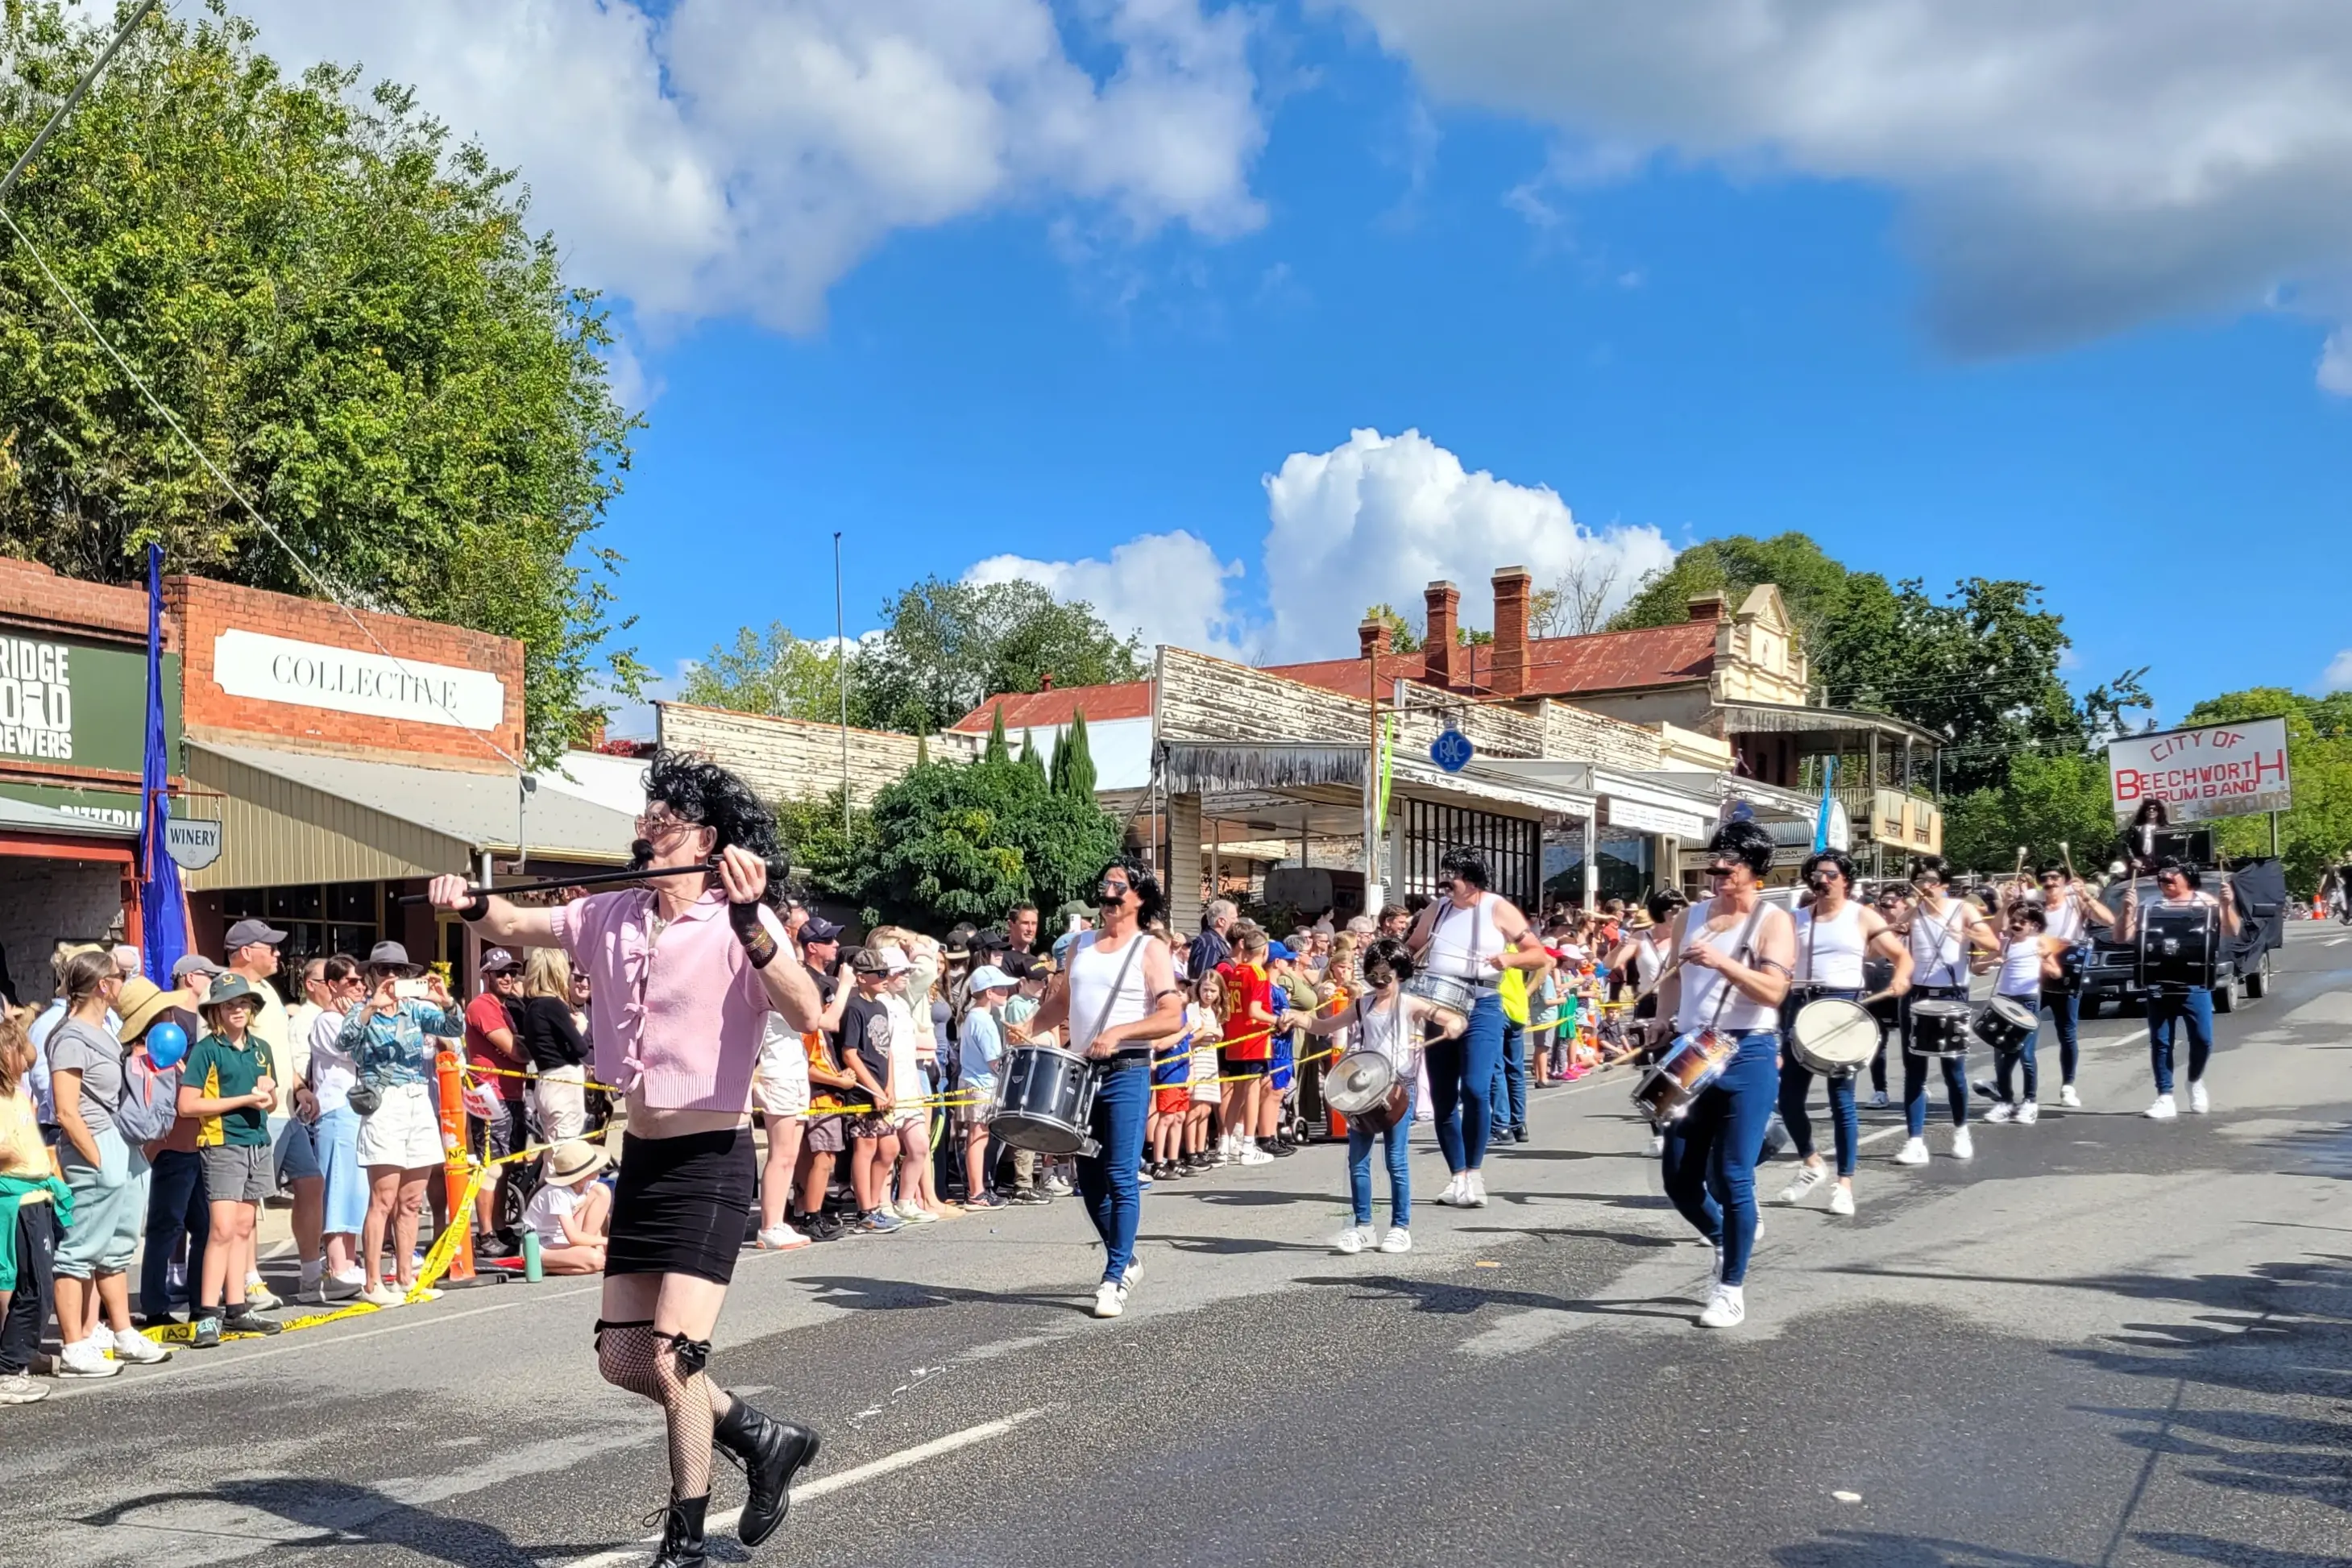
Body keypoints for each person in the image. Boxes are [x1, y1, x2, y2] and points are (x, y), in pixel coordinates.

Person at [427, 749, 825, 1566]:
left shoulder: (734, 918)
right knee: (623, 1357)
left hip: (712, 1161)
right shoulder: (608, 913)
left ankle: (683, 1539)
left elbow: (807, 1005)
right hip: (638, 1155)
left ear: (704, 837)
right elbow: (510, 923)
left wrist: (753, 920)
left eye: (663, 820)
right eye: (644, 819)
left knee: (677, 1358)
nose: (644, 832)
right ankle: (759, 1434)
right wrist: (467, 900)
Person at [1015, 856, 1184, 1320]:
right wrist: (1028, 1027)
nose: (1109, 896)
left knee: (1121, 1174)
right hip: (1083, 1071)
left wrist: (1122, 1033)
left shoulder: (1150, 949)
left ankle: (1112, 1278)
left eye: (1119, 888)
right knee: (1087, 1179)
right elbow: (1064, 1001)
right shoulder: (1082, 945)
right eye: (1105, 887)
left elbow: (1173, 1015)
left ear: (1139, 898)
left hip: (1127, 1071)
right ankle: (1127, 1257)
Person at [1652, 820, 1797, 1329]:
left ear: (1754, 871)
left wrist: (1721, 962)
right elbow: (1671, 980)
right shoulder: (1689, 917)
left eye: (1726, 868)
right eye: (1712, 867)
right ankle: (1722, 1239)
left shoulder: (1771, 920)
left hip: (1748, 1049)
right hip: (1692, 1049)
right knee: (1679, 1180)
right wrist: (1660, 1018)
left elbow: (1774, 993)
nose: (1715, 876)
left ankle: (1730, 1287)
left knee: (1734, 1174)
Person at [1406, 848, 1549, 1209]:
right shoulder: (1436, 909)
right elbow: (1413, 946)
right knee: (1442, 1096)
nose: (1444, 885)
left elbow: (1538, 955)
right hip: (1438, 1005)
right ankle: (1456, 1177)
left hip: (1483, 1003)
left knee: (1475, 1088)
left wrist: (1511, 958)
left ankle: (1475, 1172)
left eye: (1450, 878)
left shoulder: (1497, 907)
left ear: (1471, 881)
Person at [48, 949, 168, 1375]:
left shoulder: (104, 1031)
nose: (123, 984)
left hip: (119, 1143)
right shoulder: (70, 1038)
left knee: (117, 1247)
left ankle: (120, 1332)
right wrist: (97, 1158)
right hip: (94, 1143)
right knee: (80, 1249)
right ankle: (74, 1344)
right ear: (103, 985)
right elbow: (66, 1110)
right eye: (119, 978)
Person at [1302, 936, 1458, 1255]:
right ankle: (1363, 1227)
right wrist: (1296, 1019)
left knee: (1396, 1161)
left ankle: (1400, 1228)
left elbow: (1448, 1017)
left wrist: (1454, 1024)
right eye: (1373, 974)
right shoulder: (1363, 1004)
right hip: (1365, 1086)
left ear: (1400, 972)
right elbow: (1322, 1025)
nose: (1379, 981)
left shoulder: (1410, 1002)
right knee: (1357, 1161)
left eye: (1385, 974)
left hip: (1399, 1084)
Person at [1775, 851, 1910, 1217]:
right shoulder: (1795, 919)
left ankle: (1845, 1185)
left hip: (1842, 1007)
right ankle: (1812, 1163)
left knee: (1842, 1101)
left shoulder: (1861, 915)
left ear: (1845, 879)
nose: (1822, 881)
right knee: (1788, 1099)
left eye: (1830, 875)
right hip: (1801, 1006)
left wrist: (1900, 978)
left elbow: (1901, 957)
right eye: (1817, 875)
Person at [340, 943, 463, 1308]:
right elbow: (344, 1040)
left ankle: (407, 1276)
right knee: (383, 1198)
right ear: (371, 974)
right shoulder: (361, 1012)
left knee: (412, 1200)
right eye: (383, 969)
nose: (392, 976)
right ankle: (373, 1280)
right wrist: (370, 1007)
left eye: (399, 970)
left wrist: (445, 1000)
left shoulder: (416, 1009)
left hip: (417, 1099)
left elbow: (454, 1029)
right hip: (384, 1104)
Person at [177, 974, 284, 1347]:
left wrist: (268, 1097)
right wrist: (243, 1101)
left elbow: (269, 1099)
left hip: (257, 1140)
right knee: (220, 1229)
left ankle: (237, 1307)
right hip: (222, 1144)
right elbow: (187, 1105)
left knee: (242, 1227)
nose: (237, 1009)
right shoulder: (207, 1050)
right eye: (228, 1004)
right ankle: (207, 1313)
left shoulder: (261, 1048)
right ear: (215, 1012)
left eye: (242, 1003)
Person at [1891, 857, 2001, 1167]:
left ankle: (1961, 1131)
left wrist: (1966, 934)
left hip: (1952, 993)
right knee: (1915, 1070)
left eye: (1931, 880)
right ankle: (1914, 1141)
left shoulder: (1962, 909)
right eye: (1920, 880)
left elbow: (1992, 943)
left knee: (1953, 1069)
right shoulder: (1912, 914)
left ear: (1943, 883)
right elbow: (1888, 941)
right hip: (1917, 993)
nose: (1925, 886)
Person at [2116, 858, 2238, 1119]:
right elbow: (2121, 937)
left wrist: (2227, 905)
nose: (2165, 879)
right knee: (2161, 1042)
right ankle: (2165, 1096)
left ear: (2187, 877)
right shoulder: (2150, 905)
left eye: (2172, 875)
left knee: (2203, 1039)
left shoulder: (2205, 903)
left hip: (2194, 982)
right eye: (2162, 876)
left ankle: (2195, 1081)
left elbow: (2231, 930)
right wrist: (2127, 912)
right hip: (2159, 981)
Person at [126, 979, 210, 1324]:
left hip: (192, 1150)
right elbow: (157, 1111)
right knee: (166, 1228)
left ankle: (200, 1300)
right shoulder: (145, 1061)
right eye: (169, 1014)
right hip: (171, 1152)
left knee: (203, 1227)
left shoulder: (171, 1058)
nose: (176, 1019)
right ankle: (155, 1306)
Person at [0, 1005, 65, 1404]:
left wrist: (17, 1024)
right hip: (18, 1198)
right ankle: (9, 1369)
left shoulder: (18, 1092)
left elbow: (31, 1055)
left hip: (38, 1195)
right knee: (33, 1289)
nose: (25, 1055)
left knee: (38, 1286)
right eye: (14, 1049)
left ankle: (19, 1356)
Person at [301, 956, 368, 1301]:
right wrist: (357, 1016)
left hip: (359, 1111)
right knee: (338, 1187)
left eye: (361, 982)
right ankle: (337, 1264)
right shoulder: (327, 1021)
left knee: (357, 1189)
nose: (360, 988)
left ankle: (351, 1260)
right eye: (352, 982)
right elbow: (354, 1052)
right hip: (337, 1110)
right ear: (333, 986)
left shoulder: (354, 1017)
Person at [463, 948, 529, 1258]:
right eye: (500, 972)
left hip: (512, 1093)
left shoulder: (507, 1007)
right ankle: (486, 1232)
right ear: (485, 975)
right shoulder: (482, 1005)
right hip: (491, 1095)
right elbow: (515, 1050)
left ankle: (500, 1227)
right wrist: (545, 1044)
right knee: (490, 1166)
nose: (507, 978)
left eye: (511, 973)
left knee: (504, 1166)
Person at [2031, 862, 2114, 1109]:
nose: (2050, 882)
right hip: (2035, 975)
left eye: (2055, 877)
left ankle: (2068, 1086)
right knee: (2024, 1028)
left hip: (2067, 973)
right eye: (2044, 878)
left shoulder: (2075, 902)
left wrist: (2086, 897)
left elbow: (2108, 919)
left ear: (2064, 880)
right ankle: (2016, 1087)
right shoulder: (2035, 905)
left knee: (2066, 1032)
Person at [1981, 905, 2070, 1126]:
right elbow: (1976, 968)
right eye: (2014, 920)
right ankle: (2005, 1101)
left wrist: (2046, 959)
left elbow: (2056, 973)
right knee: (2001, 1053)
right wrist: (1991, 962)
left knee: (2026, 1055)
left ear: (2034, 925)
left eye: (2022, 921)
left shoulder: (2038, 943)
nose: (2016, 925)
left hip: (2028, 1001)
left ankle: (2030, 1101)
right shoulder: (2005, 943)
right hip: (2004, 1001)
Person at [1216, 924, 1280, 1166]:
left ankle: (1224, 1144)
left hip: (1234, 1037)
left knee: (1238, 1094)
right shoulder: (1258, 974)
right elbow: (1255, 1010)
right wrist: (1277, 1019)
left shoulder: (1237, 971)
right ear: (1264, 952)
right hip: (1253, 1039)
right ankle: (1247, 1147)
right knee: (1251, 1091)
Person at [517, 948, 591, 1142]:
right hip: (563, 1083)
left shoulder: (532, 1006)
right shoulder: (553, 1005)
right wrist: (581, 1026)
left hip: (545, 1081)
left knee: (554, 1151)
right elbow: (580, 1048)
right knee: (566, 1154)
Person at [957, 966, 1013, 1207]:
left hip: (974, 1082)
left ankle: (978, 1189)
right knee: (978, 1137)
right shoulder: (984, 1020)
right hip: (982, 1084)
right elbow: (994, 1062)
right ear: (989, 993)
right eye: (1001, 988)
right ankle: (976, 1191)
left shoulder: (973, 1016)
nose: (1007, 991)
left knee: (977, 1136)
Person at [523, 1139, 613, 1276]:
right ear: (583, 1174)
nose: (599, 1170)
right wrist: (610, 1241)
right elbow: (573, 1237)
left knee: (602, 1191)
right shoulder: (558, 1193)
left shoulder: (585, 1184)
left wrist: (600, 1246)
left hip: (564, 1239)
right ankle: (540, 1266)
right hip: (542, 1245)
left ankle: (586, 1254)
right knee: (597, 1261)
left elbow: (597, 1217)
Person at [1181, 969, 1225, 1175]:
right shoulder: (1192, 1009)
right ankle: (1190, 1151)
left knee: (1206, 1109)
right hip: (1196, 1058)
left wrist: (1217, 1035)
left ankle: (1202, 1148)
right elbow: (1187, 1039)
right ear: (1198, 989)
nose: (1208, 995)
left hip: (1210, 1060)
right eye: (1205, 990)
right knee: (1194, 1108)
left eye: (1213, 991)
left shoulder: (1214, 1012)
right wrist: (1207, 1032)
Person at [1187, 898, 1236, 985]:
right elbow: (1206, 979)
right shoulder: (1209, 943)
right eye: (1234, 918)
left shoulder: (1218, 941)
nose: (1237, 921)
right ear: (1221, 921)